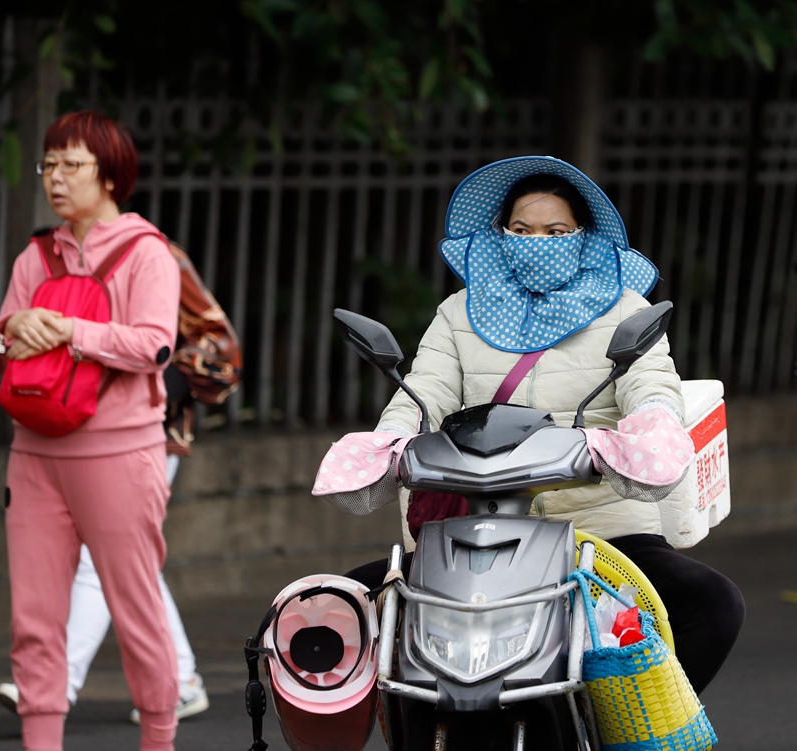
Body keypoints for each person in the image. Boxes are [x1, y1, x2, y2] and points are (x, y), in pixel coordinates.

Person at [317, 156, 744, 697]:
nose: (536, 241)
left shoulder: (625, 310)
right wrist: (386, 444)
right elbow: (420, 398)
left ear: (583, 236)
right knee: (330, 609)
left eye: (555, 231)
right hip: (478, 534)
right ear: (500, 235)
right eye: (521, 230)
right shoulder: (458, 312)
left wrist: (652, 429)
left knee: (714, 604)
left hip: (603, 535)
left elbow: (651, 387)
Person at [0, 110, 181, 751]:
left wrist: (70, 330)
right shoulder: (36, 255)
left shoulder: (147, 252)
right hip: (34, 453)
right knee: (34, 617)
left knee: (136, 610)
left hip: (120, 453)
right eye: (49, 164)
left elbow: (155, 346)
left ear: (110, 173)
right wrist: (14, 331)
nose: (55, 178)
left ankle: (159, 738)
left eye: (72, 165)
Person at [0, 369, 210, 726]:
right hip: (91, 430)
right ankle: (182, 679)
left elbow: (220, 353)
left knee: (101, 559)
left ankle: (54, 686)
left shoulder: (171, 310)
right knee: (129, 559)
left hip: (137, 433)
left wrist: (133, 389)